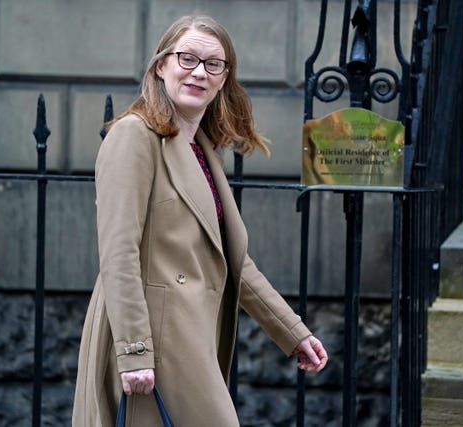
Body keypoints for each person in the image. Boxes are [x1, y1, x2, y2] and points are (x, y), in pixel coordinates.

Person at [72, 14, 328, 427]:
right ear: (161, 65)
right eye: (186, 58)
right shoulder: (134, 136)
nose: (199, 73)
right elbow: (118, 252)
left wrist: (292, 331)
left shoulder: (201, 148)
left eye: (213, 64)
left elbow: (235, 261)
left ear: (225, 78)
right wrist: (134, 351)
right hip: (150, 340)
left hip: (189, 337)